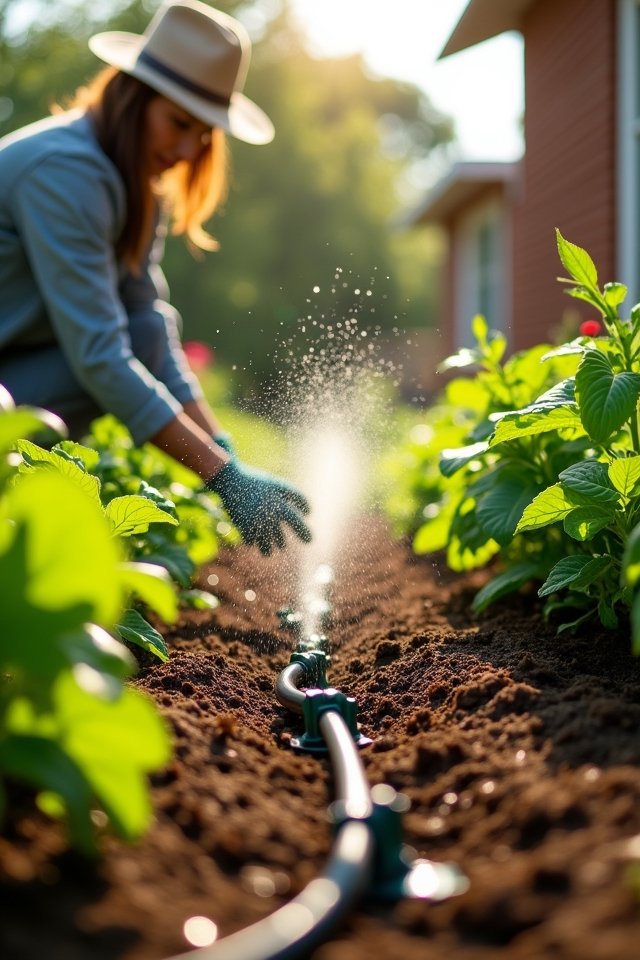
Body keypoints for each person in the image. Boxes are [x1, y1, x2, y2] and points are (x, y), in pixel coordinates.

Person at [0, 0, 311, 556]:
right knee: (100, 368)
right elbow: (100, 354)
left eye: (205, 134)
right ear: (134, 96)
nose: (189, 150)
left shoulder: (131, 182)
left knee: (140, 336)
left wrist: (222, 451)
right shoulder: (64, 174)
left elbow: (149, 328)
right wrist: (220, 477)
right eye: (179, 123)